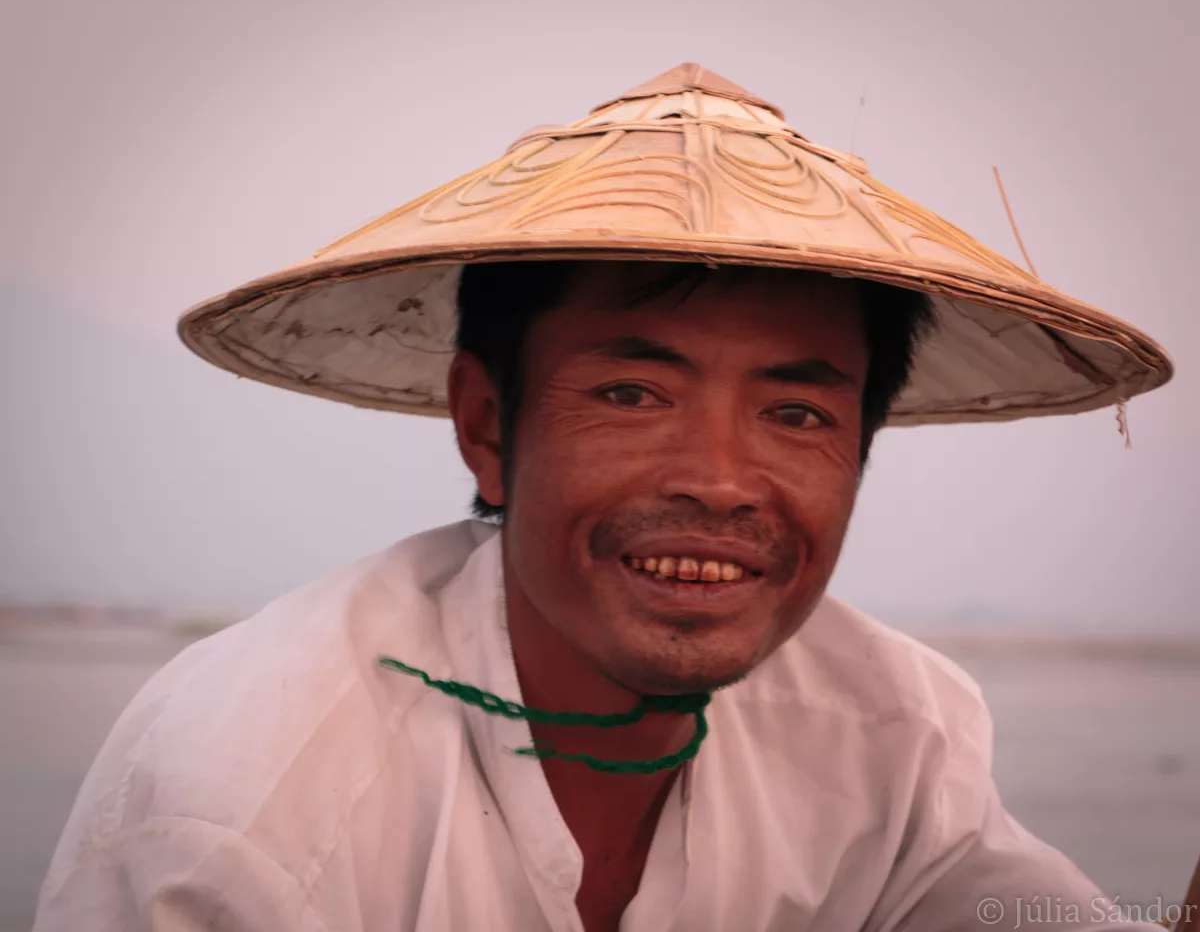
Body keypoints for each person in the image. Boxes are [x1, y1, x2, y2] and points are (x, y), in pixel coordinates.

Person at [35, 64, 1174, 932]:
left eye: (796, 413)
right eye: (632, 394)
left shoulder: (891, 733)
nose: (719, 479)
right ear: (489, 428)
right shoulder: (248, 810)